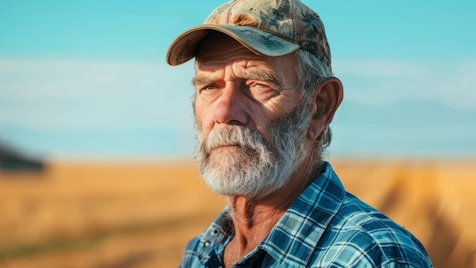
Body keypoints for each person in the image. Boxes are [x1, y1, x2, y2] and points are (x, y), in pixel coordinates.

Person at [166, 0, 432, 267]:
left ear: (319, 107)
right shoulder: (200, 254)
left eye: (258, 83)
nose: (224, 111)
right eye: (210, 87)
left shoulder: (371, 257)